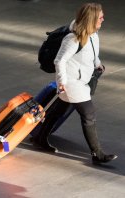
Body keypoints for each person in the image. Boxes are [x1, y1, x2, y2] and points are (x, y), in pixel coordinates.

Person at [32, 3, 117, 164]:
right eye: (100, 17)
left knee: (58, 110)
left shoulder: (93, 35)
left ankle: (40, 138)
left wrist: (97, 63)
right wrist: (62, 82)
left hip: (81, 81)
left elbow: (93, 53)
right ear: (91, 19)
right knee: (88, 114)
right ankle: (97, 154)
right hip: (71, 83)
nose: (103, 19)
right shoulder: (72, 39)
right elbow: (59, 61)